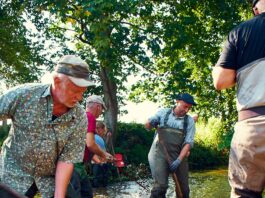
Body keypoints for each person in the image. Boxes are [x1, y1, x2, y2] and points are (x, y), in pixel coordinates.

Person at [0, 55, 95, 198]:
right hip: (14, 172)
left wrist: (59, 196)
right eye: (75, 91)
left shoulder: (79, 117)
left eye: (82, 92)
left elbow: (67, 160)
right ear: (57, 81)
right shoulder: (23, 95)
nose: (79, 98)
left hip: (51, 177)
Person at [212, 1, 265, 197]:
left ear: (255, 9)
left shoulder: (241, 31)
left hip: (253, 127)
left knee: (245, 194)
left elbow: (221, 81)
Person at [146, 93, 196, 198]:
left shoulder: (189, 121)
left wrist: (178, 160)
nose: (186, 110)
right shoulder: (163, 113)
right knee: (161, 186)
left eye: (189, 108)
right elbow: (147, 125)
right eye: (185, 106)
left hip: (179, 155)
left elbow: (188, 143)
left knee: (184, 189)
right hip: (159, 154)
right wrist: (150, 122)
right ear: (177, 101)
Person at [68, 95, 113, 198]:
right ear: (98, 106)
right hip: (73, 165)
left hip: (78, 165)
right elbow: (90, 144)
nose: (101, 111)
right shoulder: (90, 117)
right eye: (102, 108)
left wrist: (99, 158)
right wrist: (104, 155)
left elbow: (84, 145)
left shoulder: (81, 117)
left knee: (87, 193)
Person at [91, 121, 110, 188]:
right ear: (100, 129)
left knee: (100, 181)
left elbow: (103, 149)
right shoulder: (95, 137)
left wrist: (108, 138)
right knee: (100, 182)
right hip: (99, 163)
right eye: (103, 130)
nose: (104, 131)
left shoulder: (98, 138)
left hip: (100, 163)